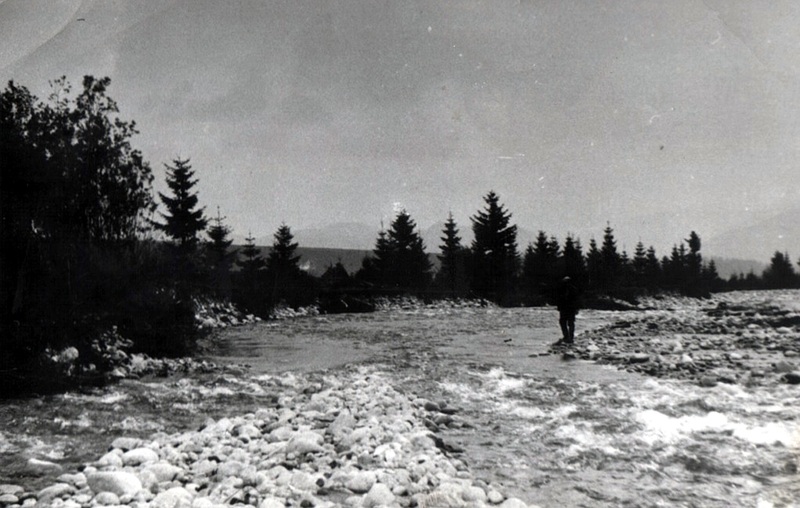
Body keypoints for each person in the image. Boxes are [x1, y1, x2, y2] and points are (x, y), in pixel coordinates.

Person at [554, 276, 580, 344]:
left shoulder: (563, 290)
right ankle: (569, 337)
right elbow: (577, 300)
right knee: (568, 323)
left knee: (566, 323)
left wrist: (559, 308)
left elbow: (576, 300)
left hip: (567, 309)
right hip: (568, 309)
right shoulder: (573, 289)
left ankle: (568, 336)